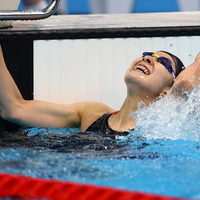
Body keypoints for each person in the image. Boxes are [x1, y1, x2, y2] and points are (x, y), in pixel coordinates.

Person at [0, 45, 199, 135]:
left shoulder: (158, 132)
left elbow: (185, 85)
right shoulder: (91, 114)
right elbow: (12, 108)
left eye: (162, 62)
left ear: (166, 92)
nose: (147, 58)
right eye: (147, 54)